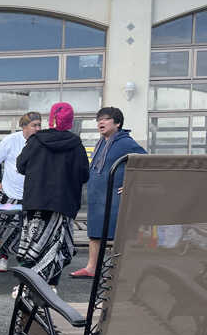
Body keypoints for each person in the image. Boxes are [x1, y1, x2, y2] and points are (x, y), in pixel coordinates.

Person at [14, 101, 90, 285]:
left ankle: (28, 284)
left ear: (51, 119)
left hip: (36, 201)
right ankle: (51, 284)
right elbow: (84, 174)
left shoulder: (36, 140)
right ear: (70, 122)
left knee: (33, 243)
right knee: (56, 245)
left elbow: (21, 165)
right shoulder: (76, 144)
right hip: (63, 204)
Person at [70, 105, 147, 278]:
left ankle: (121, 270)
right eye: (98, 120)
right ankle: (91, 268)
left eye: (105, 119)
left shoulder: (126, 142)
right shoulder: (101, 142)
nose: (100, 122)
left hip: (114, 198)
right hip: (98, 197)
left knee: (118, 235)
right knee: (95, 234)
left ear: (117, 123)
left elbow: (146, 163)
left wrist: (131, 183)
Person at [0, 111, 42, 271]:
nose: (38, 128)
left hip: (31, 193)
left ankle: (25, 261)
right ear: (24, 127)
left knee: (28, 228)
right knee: (4, 226)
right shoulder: (11, 140)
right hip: (9, 191)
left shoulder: (41, 142)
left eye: (40, 125)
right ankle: (3, 257)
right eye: (35, 125)